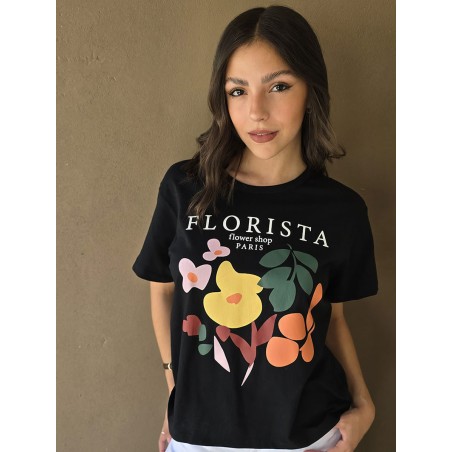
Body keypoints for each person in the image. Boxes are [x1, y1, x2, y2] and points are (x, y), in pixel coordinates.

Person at [132, 5, 378, 452]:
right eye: (238, 91)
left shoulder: (341, 210)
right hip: (196, 436)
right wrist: (174, 386)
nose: (257, 112)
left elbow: (333, 318)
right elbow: (162, 290)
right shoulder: (184, 188)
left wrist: (364, 404)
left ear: (311, 91)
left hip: (309, 437)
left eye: (279, 86)